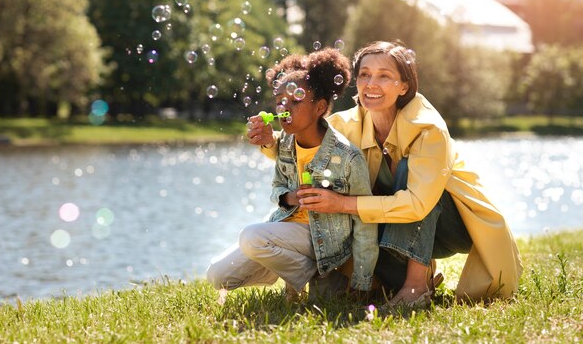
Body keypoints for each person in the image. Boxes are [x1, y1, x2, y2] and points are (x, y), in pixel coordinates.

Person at [248, 41, 523, 307]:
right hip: (399, 223)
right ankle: (407, 277)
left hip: (453, 226)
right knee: (339, 287)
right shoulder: (348, 123)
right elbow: (308, 144)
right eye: (365, 75)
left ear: (404, 85)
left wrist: (342, 204)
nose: (371, 84)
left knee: (405, 169)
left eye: (384, 76)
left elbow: (418, 204)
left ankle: (414, 286)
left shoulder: (427, 128)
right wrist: (269, 142)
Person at [206, 48, 379, 299]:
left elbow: (365, 221)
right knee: (217, 276)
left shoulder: (348, 157)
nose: (284, 107)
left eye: (295, 101)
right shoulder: (286, 143)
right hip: (286, 229)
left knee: (251, 236)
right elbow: (278, 187)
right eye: (279, 100)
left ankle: (323, 275)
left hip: (325, 239)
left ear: (320, 107)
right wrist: (291, 198)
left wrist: (362, 282)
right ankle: (304, 274)